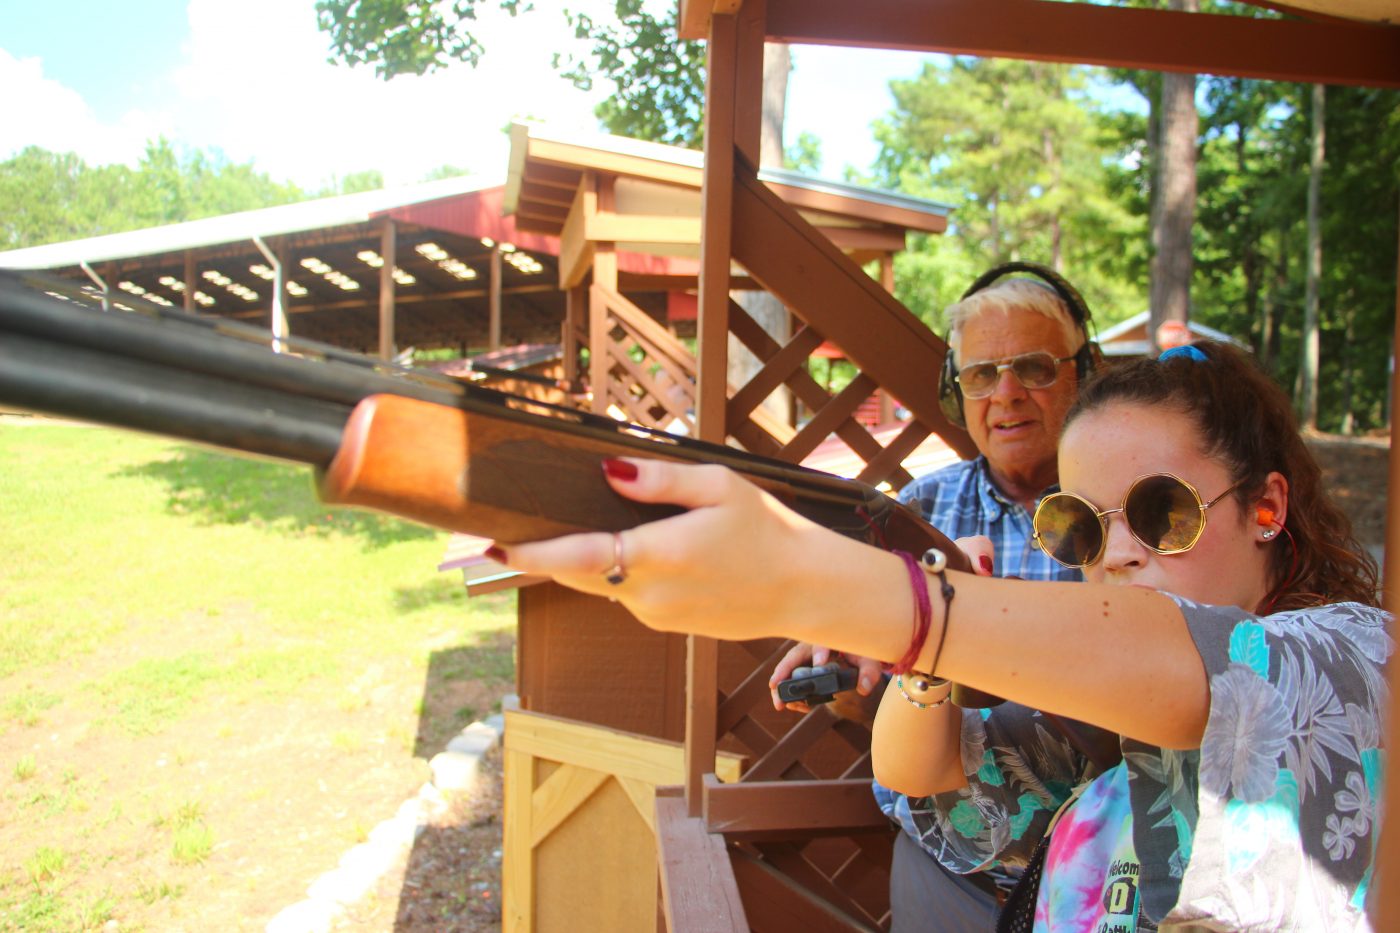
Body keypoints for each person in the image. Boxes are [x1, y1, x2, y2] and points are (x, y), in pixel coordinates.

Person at [488, 340, 1388, 930]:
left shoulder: (1358, 660)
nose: (1116, 553)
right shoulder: (1117, 752)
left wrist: (857, 591)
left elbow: (1204, 664)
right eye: (1080, 526)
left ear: (1267, 507)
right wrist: (925, 659)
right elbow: (926, 773)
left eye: (1161, 511)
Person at [774, 263, 1099, 928]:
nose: (1005, 393)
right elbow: (870, 697)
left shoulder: (1121, 505)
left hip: (1104, 864)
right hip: (948, 871)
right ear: (957, 391)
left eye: (1033, 368)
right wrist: (848, 659)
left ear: (1082, 376)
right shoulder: (914, 511)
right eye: (981, 374)